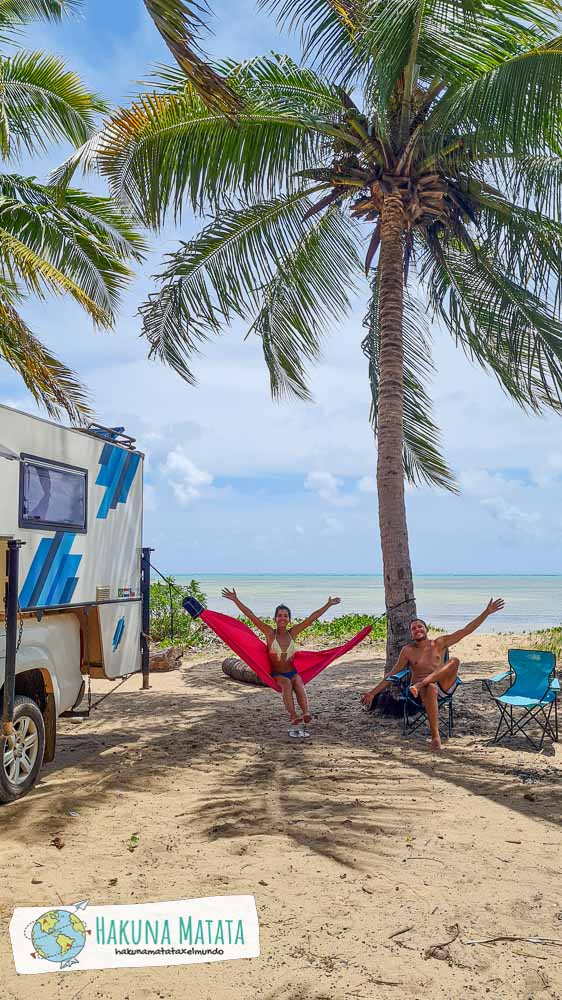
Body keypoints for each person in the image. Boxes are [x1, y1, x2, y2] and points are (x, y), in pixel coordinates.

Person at [360, 598, 505, 751]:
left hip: (443, 686)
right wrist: (372, 693)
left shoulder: (440, 643)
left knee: (454, 660)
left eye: (419, 626)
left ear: (426, 629)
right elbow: (392, 673)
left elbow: (466, 630)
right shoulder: (408, 651)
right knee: (431, 688)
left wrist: (487, 613)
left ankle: (422, 684)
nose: (417, 629)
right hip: (421, 693)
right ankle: (435, 737)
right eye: (413, 629)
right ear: (411, 634)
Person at [221, 588, 341, 737]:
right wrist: (236, 600)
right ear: (275, 619)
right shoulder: (270, 633)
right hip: (277, 674)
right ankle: (293, 715)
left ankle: (306, 712)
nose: (282, 618)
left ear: (289, 619)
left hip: (293, 671)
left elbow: (311, 618)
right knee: (287, 683)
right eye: (279, 616)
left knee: (298, 681)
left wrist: (328, 605)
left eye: (285, 616)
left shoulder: (293, 633)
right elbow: (251, 616)